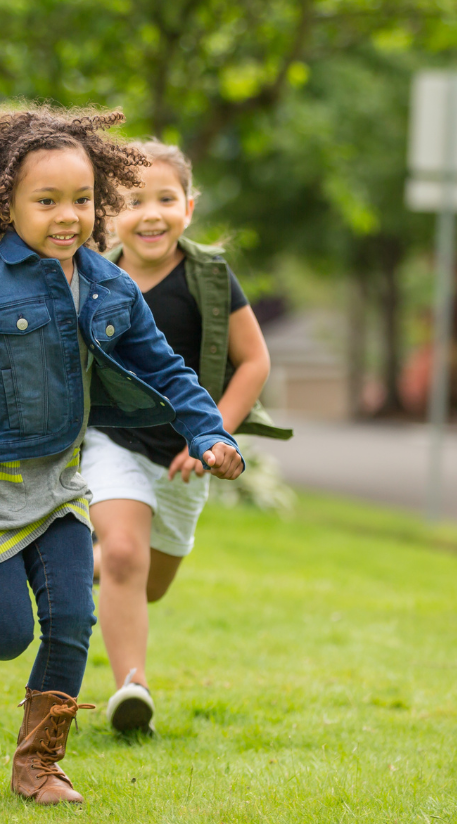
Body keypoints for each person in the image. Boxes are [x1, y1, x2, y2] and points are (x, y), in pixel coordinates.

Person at [0, 107, 244, 806]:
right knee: (2, 634)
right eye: (47, 201)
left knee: (71, 617)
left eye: (83, 199)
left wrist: (209, 431)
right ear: (7, 205)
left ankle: (39, 764)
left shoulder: (107, 285)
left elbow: (166, 367)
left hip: (60, 482)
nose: (69, 216)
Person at [83, 140, 286, 734]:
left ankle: (92, 561)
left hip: (183, 457)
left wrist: (211, 436)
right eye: (132, 200)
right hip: (109, 441)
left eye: (165, 199)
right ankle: (132, 688)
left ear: (189, 207)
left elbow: (254, 362)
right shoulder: (92, 277)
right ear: (107, 213)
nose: (150, 213)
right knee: (125, 554)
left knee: (151, 583)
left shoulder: (211, 278)